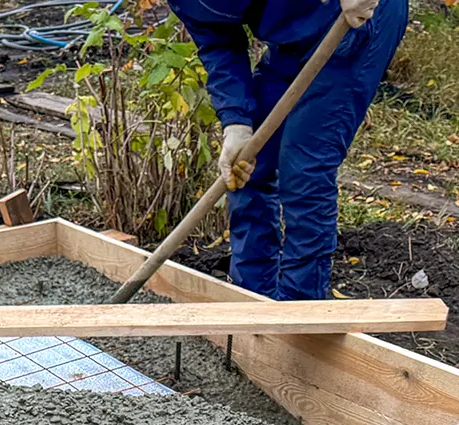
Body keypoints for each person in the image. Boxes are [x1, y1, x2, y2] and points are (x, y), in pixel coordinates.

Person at [170, 0, 409, 301]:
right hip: (294, 39)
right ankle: (250, 300)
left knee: (304, 168)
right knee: (245, 166)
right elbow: (219, 44)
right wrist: (236, 122)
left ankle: (299, 311)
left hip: (356, 20)